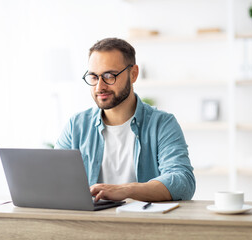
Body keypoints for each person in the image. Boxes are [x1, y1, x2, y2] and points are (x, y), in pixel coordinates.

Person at [55, 37, 195, 202]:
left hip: (141, 224)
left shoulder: (162, 124)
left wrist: (125, 190)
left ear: (133, 73)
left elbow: (183, 182)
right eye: (93, 77)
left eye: (109, 75)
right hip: (89, 224)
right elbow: (54, 179)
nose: (100, 87)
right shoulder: (76, 125)